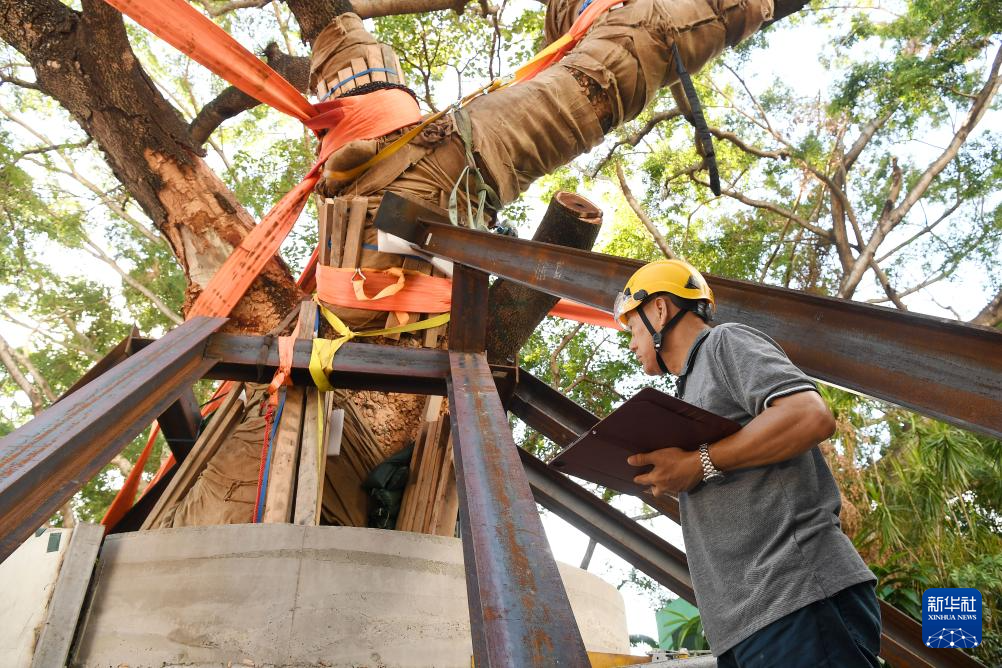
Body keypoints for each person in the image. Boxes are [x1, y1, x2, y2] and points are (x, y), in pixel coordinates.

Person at [614, 259, 880, 667]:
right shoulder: (687, 395)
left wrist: (699, 463)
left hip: (797, 597)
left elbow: (808, 415)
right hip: (746, 625)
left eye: (632, 327)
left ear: (660, 310)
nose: (631, 342)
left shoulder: (724, 343)